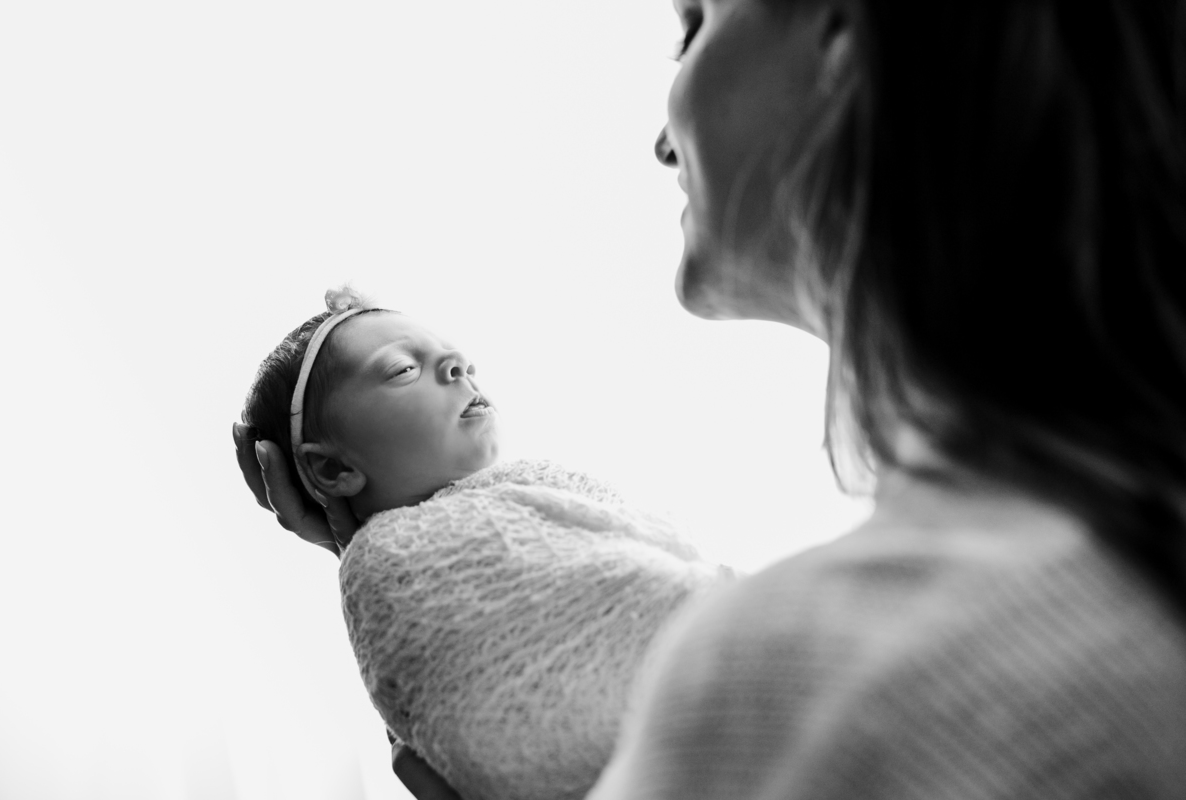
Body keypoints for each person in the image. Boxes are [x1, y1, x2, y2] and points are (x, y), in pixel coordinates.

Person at [236, 0, 1186, 797]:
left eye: (694, 24)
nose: (659, 139)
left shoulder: (791, 691)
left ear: (844, 30)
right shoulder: (1111, 546)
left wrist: (387, 555)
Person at [239, 289, 727, 800]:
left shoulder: (513, 495)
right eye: (403, 370)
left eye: (456, 356)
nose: (457, 364)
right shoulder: (394, 559)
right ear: (333, 468)